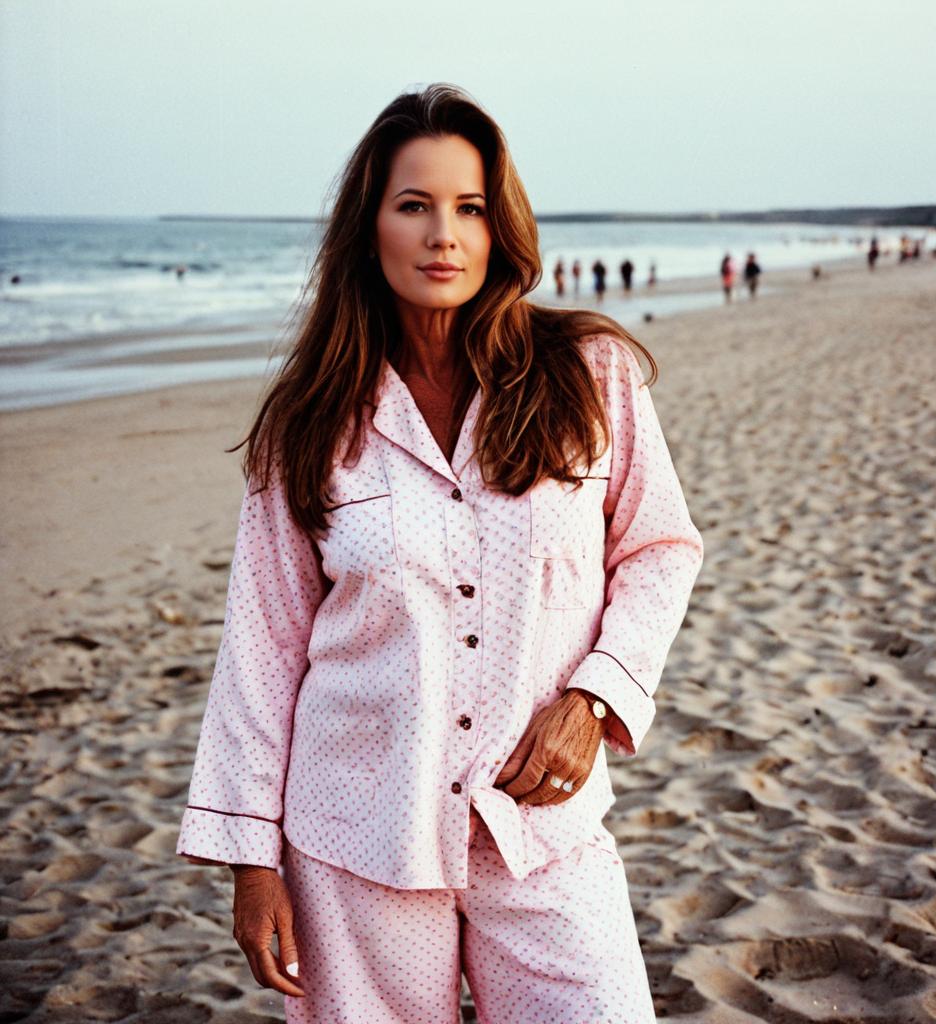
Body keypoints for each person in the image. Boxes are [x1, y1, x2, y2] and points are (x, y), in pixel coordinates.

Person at [175, 83, 703, 1024]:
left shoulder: (589, 376)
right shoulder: (307, 424)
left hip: (542, 830)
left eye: (468, 208)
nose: (442, 235)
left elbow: (661, 548)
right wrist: (254, 867)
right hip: (354, 841)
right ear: (370, 227)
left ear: (500, 228)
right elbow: (261, 651)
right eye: (413, 205)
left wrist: (596, 696)